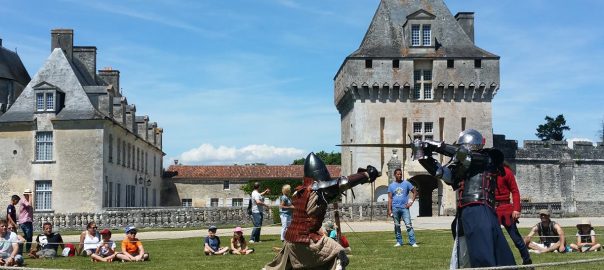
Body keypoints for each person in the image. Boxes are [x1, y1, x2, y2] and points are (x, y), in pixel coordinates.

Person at [414, 129, 516, 268]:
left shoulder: (489, 158)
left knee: (485, 256)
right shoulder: (462, 167)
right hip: (464, 214)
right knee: (464, 257)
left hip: (480, 210)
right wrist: (421, 154)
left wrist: (436, 145)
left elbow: (466, 156)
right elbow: (441, 172)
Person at [264, 152, 379, 270]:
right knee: (340, 254)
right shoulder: (316, 190)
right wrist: (366, 175)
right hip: (306, 240)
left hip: (291, 239)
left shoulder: (298, 192)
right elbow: (343, 183)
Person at [495, 163, 532, 265]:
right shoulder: (487, 173)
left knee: (516, 239)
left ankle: (527, 260)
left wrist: (516, 208)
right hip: (492, 210)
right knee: (493, 239)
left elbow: (515, 191)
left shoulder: (506, 172)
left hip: (506, 209)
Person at [387, 168, 418, 248]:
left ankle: (413, 242)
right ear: (395, 175)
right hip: (395, 208)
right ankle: (399, 242)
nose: (399, 175)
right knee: (397, 225)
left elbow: (415, 192)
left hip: (404, 208)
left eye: (400, 174)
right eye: (398, 174)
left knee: (408, 225)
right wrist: (389, 209)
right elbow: (390, 198)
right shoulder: (391, 186)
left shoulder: (406, 183)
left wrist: (410, 202)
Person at [18, 189, 34, 254]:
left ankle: (21, 240)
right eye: (28, 194)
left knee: (29, 236)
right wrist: (30, 196)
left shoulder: (27, 200)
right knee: (29, 236)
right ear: (25, 195)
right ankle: (27, 249)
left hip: (28, 221)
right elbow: (29, 205)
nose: (30, 196)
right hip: (25, 221)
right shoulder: (23, 200)